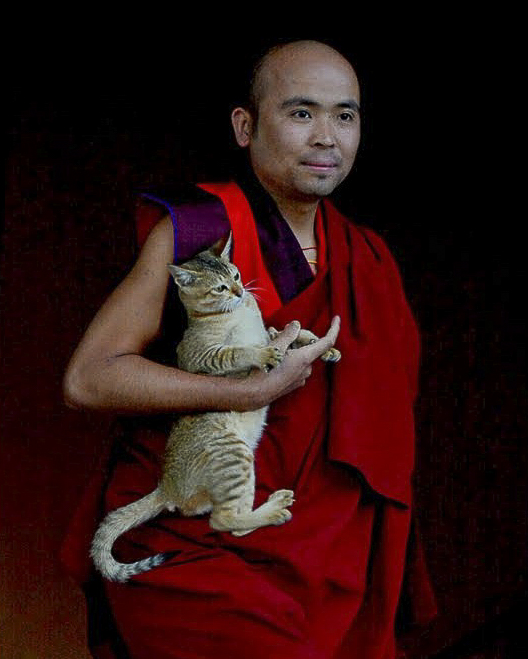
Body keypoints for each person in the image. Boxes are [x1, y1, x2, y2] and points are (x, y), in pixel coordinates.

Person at [61, 40, 437, 659]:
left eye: (345, 116)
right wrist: (251, 390)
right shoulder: (202, 230)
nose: (326, 137)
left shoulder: (369, 258)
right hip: (198, 544)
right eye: (301, 112)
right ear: (245, 126)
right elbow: (89, 376)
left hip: (322, 552)